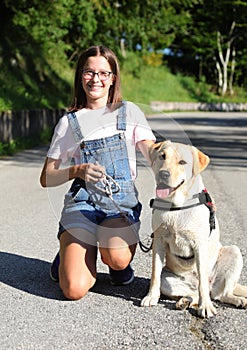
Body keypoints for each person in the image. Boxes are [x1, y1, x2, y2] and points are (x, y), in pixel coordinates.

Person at [40, 45, 155, 300]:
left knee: (116, 257)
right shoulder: (69, 122)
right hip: (83, 204)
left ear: (113, 78)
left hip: (119, 204)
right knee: (73, 289)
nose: (96, 79)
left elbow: (155, 157)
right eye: (89, 72)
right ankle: (69, 252)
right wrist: (76, 170)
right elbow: (46, 177)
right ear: (81, 76)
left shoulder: (130, 112)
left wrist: (183, 176)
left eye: (104, 73)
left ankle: (117, 265)